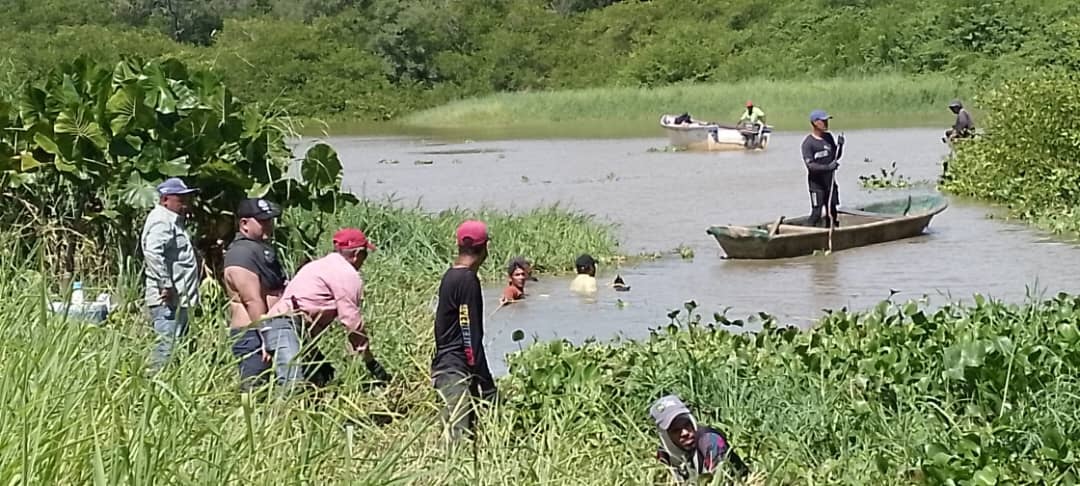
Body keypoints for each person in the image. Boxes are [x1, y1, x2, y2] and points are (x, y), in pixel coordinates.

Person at [262, 228, 391, 392]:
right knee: (293, 382)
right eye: (365, 255)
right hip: (287, 325)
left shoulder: (317, 265)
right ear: (357, 254)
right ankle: (281, 415)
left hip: (282, 325)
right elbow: (351, 321)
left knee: (322, 377)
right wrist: (368, 359)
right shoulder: (347, 274)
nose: (363, 261)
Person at [431, 220, 498, 442]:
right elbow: (470, 334)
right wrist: (486, 385)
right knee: (459, 441)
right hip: (456, 371)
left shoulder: (450, 276)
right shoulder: (468, 280)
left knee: (455, 436)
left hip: (445, 367)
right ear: (485, 248)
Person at [223, 198, 287, 392]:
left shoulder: (257, 248)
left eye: (270, 220)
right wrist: (266, 336)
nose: (269, 225)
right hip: (253, 333)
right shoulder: (241, 254)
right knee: (255, 390)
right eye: (263, 221)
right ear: (244, 224)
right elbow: (252, 300)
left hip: (268, 328)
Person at [141, 177, 200, 374]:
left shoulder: (173, 221)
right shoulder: (162, 220)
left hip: (180, 298)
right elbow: (152, 252)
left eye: (187, 198)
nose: (185, 203)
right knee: (166, 349)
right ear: (165, 199)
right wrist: (165, 284)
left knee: (177, 348)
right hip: (168, 299)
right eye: (180, 198)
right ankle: (154, 389)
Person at [650, 394, 749, 484]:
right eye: (676, 430)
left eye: (687, 425)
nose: (685, 433)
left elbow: (721, 481)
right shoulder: (664, 454)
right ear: (665, 436)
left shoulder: (709, 440)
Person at [801, 110, 845, 228]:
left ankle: (832, 231)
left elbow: (836, 156)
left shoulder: (828, 137)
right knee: (817, 212)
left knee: (832, 211)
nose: (826, 123)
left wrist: (840, 146)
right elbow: (810, 166)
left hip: (829, 182)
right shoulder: (808, 143)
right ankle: (807, 233)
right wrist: (828, 168)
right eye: (823, 121)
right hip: (816, 185)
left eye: (827, 120)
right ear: (815, 123)